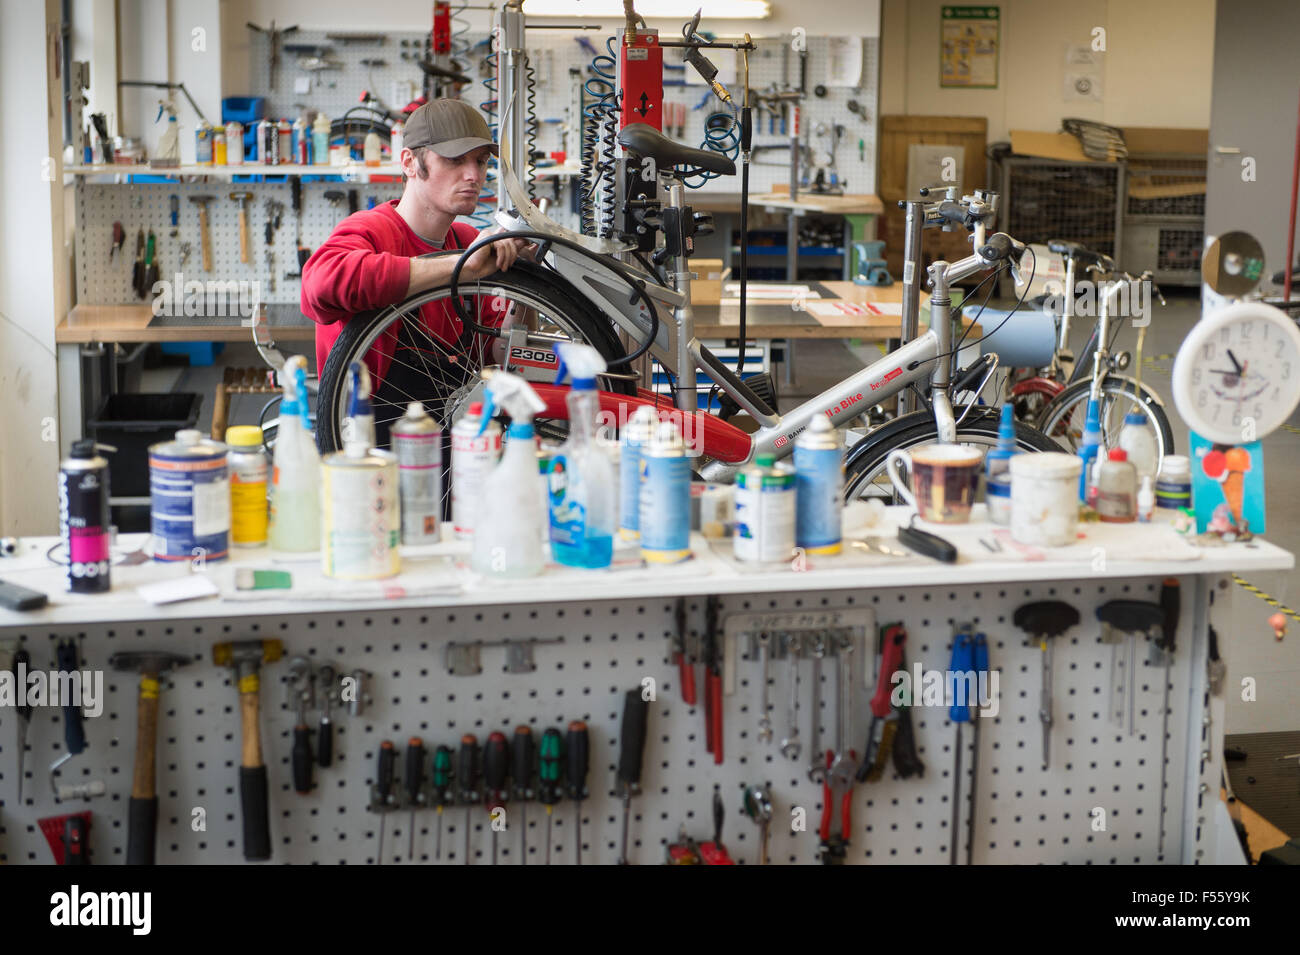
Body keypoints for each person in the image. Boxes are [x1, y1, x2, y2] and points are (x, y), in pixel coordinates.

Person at [300, 98, 532, 443]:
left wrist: (523, 286)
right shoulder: (373, 231)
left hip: (454, 460)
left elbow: (502, 355)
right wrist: (460, 268)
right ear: (409, 162)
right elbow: (318, 286)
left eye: (481, 161)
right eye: (455, 160)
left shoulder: (466, 241)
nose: (473, 175)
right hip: (369, 457)